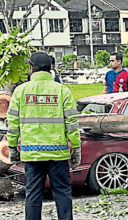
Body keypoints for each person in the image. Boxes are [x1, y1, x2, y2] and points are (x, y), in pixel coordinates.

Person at [7, 52, 81, 220]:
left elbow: (13, 124)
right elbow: (72, 123)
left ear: (32, 68)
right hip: (58, 154)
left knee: (33, 195)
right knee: (62, 193)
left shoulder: (20, 91)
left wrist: (12, 147)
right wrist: (76, 148)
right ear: (51, 68)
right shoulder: (63, 91)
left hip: (32, 154)